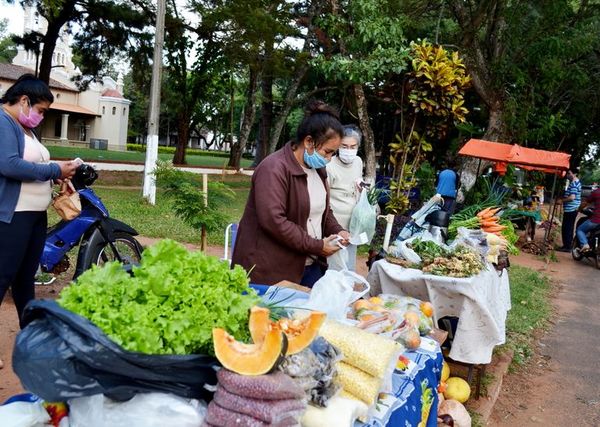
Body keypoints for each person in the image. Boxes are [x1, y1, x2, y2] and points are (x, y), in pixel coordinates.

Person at [231, 101, 349, 287]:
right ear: (309, 141)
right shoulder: (274, 168)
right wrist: (317, 246)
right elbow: (274, 221)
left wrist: (337, 230)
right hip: (271, 270)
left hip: (309, 265)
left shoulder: (318, 170)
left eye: (333, 154)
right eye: (327, 152)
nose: (329, 159)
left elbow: (323, 211)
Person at [0, 74, 77, 337]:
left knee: (24, 280)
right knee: (4, 276)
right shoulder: (3, 122)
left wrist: (56, 175)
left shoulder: (25, 128)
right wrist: (54, 168)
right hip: (12, 217)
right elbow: (9, 165)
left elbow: (34, 166)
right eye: (41, 110)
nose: (41, 117)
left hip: (34, 217)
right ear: (24, 100)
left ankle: (31, 339)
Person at [326, 125, 364, 271]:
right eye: (344, 146)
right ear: (337, 145)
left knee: (349, 263)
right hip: (335, 225)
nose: (349, 151)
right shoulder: (329, 165)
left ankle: (348, 289)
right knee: (334, 265)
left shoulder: (358, 162)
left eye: (352, 146)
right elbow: (324, 197)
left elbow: (355, 185)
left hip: (353, 223)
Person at [557, 169, 582, 252]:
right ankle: (567, 245)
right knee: (568, 228)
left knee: (567, 228)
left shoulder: (574, 184)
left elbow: (572, 197)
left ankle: (567, 247)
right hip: (571, 209)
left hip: (571, 209)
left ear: (574, 174)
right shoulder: (575, 182)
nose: (567, 175)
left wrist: (562, 201)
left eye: (569, 173)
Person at [575, 186, 600, 252]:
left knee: (580, 230)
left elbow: (585, 203)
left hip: (596, 220)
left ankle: (585, 244)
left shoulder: (597, 192)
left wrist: (579, 209)